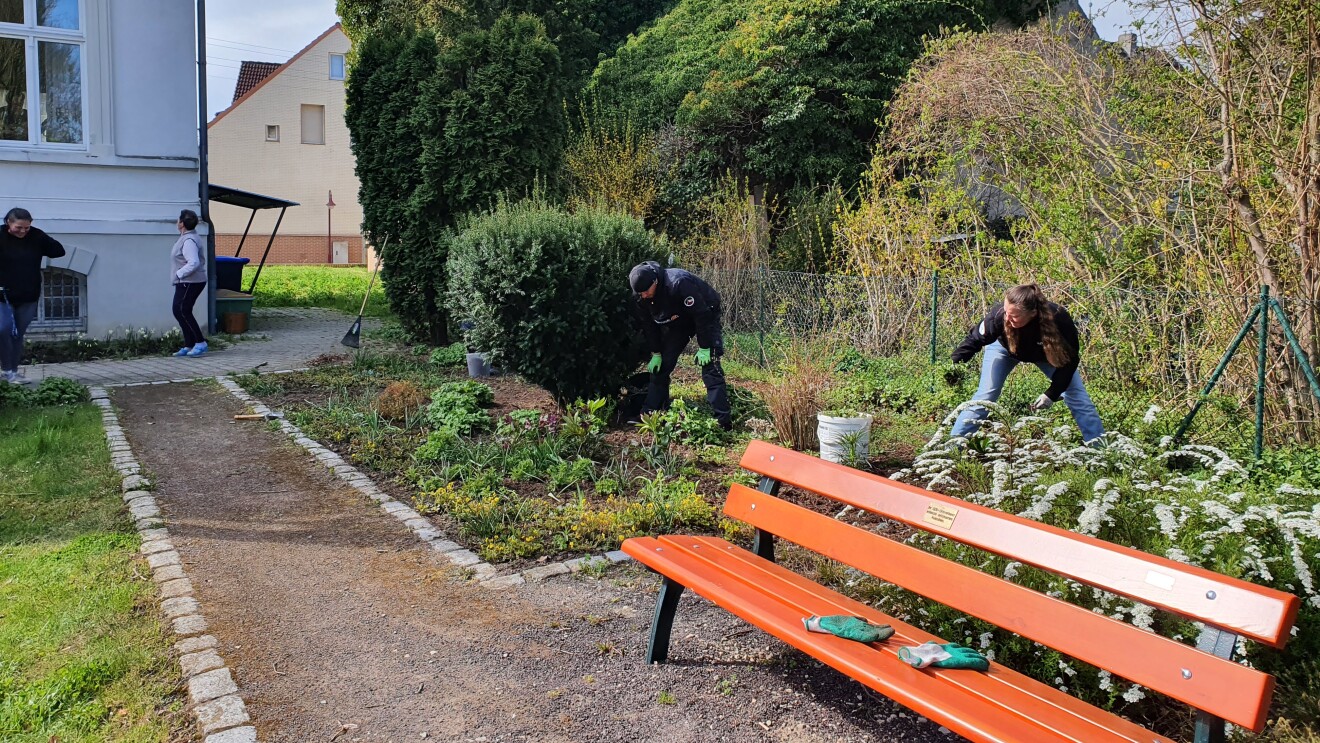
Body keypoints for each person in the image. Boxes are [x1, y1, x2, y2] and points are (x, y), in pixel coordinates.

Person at [949, 283, 1104, 443]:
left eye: (1014, 316)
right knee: (986, 395)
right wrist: (952, 366)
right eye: (1006, 313)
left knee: (1077, 396)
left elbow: (1070, 361)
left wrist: (1052, 393)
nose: (1007, 319)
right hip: (1003, 349)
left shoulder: (1058, 319)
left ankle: (1100, 452)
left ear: (1033, 313)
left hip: (1045, 355)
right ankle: (952, 447)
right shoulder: (999, 315)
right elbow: (974, 340)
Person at [629, 260, 732, 430]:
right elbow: (649, 325)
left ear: (655, 282)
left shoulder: (678, 283)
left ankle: (722, 422)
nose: (644, 295)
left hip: (705, 312)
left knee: (710, 367)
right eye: (640, 293)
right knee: (662, 366)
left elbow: (702, 314)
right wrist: (656, 353)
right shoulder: (641, 295)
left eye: (646, 291)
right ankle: (651, 414)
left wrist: (705, 347)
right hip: (679, 320)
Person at [0, 207, 65, 384]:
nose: (23, 231)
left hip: (28, 294)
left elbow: (58, 251)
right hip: (3, 295)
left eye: (27, 228)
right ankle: (6, 371)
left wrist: (39, 237)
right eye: (19, 227)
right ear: (8, 223)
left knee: (17, 334)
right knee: (3, 329)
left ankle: (12, 371)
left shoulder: (36, 236)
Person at [171, 209, 209, 357]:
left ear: (181, 223)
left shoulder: (189, 241)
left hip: (190, 281)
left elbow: (193, 262)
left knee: (182, 310)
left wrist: (179, 274)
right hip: (188, 281)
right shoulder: (187, 237)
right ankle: (189, 344)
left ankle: (200, 342)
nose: (177, 222)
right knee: (181, 311)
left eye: (178, 220)